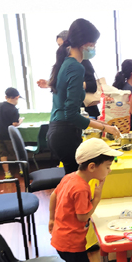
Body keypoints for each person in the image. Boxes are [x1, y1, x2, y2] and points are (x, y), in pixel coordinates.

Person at [49, 138, 122, 262]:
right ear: (91, 167)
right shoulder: (82, 188)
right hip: (72, 242)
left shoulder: (69, 177)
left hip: (61, 239)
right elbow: (83, 217)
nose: (109, 170)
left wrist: (51, 219)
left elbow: (53, 196)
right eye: (106, 166)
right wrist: (96, 198)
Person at [46, 18, 120, 175]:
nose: (94, 48)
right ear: (83, 43)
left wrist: (97, 123)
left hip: (58, 130)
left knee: (70, 183)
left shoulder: (66, 63)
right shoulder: (76, 67)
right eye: (93, 44)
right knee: (76, 185)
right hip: (65, 133)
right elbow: (71, 114)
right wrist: (107, 128)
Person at [37, 30, 100, 118]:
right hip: (70, 115)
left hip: (86, 111)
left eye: (62, 45)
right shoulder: (63, 64)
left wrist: (74, 84)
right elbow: (63, 86)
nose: (60, 48)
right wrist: (50, 83)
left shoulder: (82, 62)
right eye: (58, 45)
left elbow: (92, 85)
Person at [0, 87, 24, 178]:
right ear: (17, 97)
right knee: (16, 152)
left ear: (6, 97)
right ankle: (21, 169)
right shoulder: (14, 110)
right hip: (8, 135)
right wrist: (20, 121)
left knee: (2, 154)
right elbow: (14, 124)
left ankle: (7, 173)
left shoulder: (0, 105)